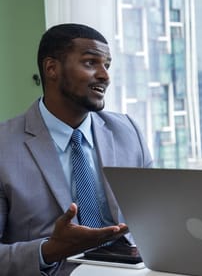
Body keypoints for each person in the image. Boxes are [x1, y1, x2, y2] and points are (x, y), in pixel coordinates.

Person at [0, 23, 153, 276]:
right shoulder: (5, 146)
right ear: (52, 69)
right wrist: (49, 250)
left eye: (107, 65)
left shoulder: (128, 132)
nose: (105, 75)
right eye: (91, 63)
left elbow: (157, 220)